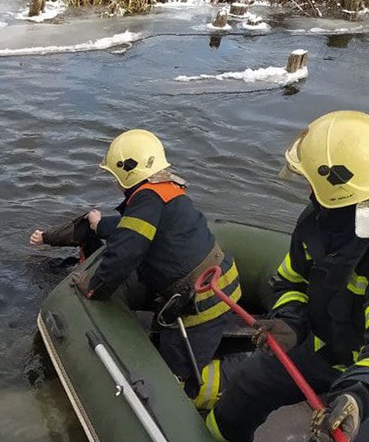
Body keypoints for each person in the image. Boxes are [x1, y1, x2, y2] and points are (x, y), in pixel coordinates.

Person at [205, 111, 369, 442]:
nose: (306, 186)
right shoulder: (320, 221)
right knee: (250, 385)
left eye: (308, 178)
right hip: (328, 344)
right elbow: (290, 280)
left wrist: (357, 398)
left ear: (330, 185)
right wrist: (291, 321)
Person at [30, 129, 242, 407]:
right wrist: (99, 224)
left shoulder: (146, 201)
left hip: (202, 302)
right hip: (218, 283)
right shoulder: (164, 191)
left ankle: (244, 374)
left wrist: (93, 287)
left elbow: (126, 252)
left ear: (125, 174)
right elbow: (136, 228)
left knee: (176, 382)